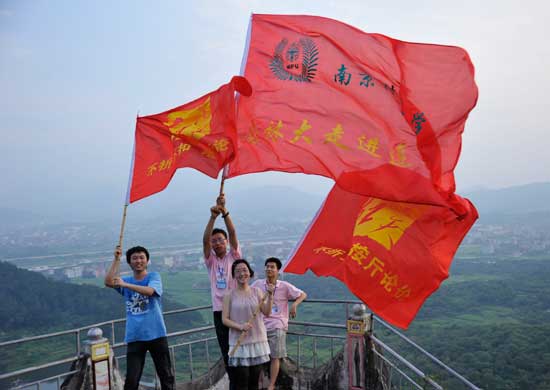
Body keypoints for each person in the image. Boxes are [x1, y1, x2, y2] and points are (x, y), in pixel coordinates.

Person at [104, 245, 174, 390]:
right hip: (135, 336)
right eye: (134, 258)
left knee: (166, 376)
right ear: (129, 262)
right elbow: (108, 282)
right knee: (131, 380)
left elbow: (151, 291)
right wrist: (116, 259)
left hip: (156, 334)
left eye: (142, 257)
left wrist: (126, 285)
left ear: (147, 260)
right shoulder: (126, 280)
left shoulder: (153, 276)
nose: (138, 261)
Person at [251, 257, 307, 390]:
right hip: (261, 325)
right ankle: (258, 383)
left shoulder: (284, 286)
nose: (269, 269)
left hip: (278, 325)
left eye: (272, 267)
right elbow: (248, 294)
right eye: (267, 266)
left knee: (275, 356)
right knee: (258, 356)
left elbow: (303, 294)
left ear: (278, 270)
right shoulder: (258, 284)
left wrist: (294, 305)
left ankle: (271, 385)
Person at [203, 193, 241, 379]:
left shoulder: (233, 256)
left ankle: (245, 379)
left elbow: (233, 233)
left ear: (226, 242)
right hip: (219, 310)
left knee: (241, 345)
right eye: (214, 240)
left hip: (237, 306)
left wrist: (224, 212)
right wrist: (212, 217)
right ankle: (234, 380)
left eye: (220, 240)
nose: (217, 243)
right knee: (226, 348)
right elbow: (204, 240)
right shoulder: (211, 261)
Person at [222, 259, 274, 390]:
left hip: (257, 341)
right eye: (237, 271)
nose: (241, 274)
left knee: (254, 383)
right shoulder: (229, 295)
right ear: (233, 276)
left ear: (250, 273)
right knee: (242, 383)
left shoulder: (257, 292)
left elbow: (267, 312)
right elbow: (224, 319)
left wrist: (271, 295)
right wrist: (240, 326)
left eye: (244, 270)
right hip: (239, 344)